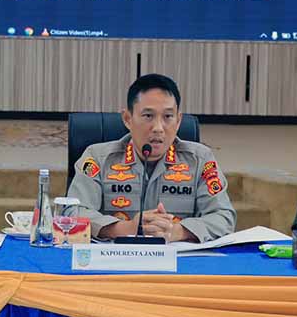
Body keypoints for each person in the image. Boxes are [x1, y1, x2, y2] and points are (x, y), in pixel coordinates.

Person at [67, 74, 236, 243]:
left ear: (178, 121)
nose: (158, 128)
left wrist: (178, 231)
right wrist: (125, 229)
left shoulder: (200, 160)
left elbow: (223, 217)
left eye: (168, 117)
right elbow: (72, 213)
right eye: (148, 116)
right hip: (115, 262)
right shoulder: (98, 158)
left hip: (178, 264)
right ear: (127, 119)